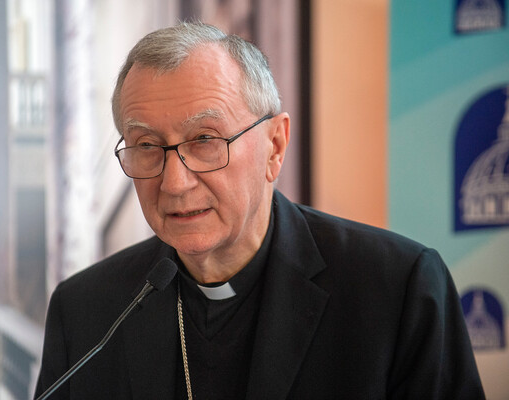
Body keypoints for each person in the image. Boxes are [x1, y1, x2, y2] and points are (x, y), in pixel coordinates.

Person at [35, 22, 484, 399]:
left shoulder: (397, 290)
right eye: (147, 145)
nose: (174, 183)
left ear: (275, 147)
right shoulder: (87, 312)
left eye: (205, 140)